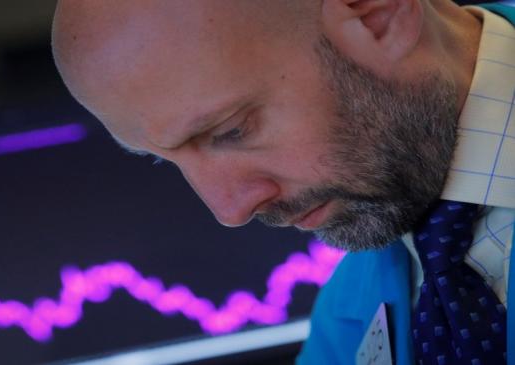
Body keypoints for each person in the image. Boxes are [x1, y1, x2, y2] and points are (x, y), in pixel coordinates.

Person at [51, 0, 515, 363]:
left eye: (231, 130)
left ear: (377, 15)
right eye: (164, 161)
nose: (228, 211)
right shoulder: (349, 315)